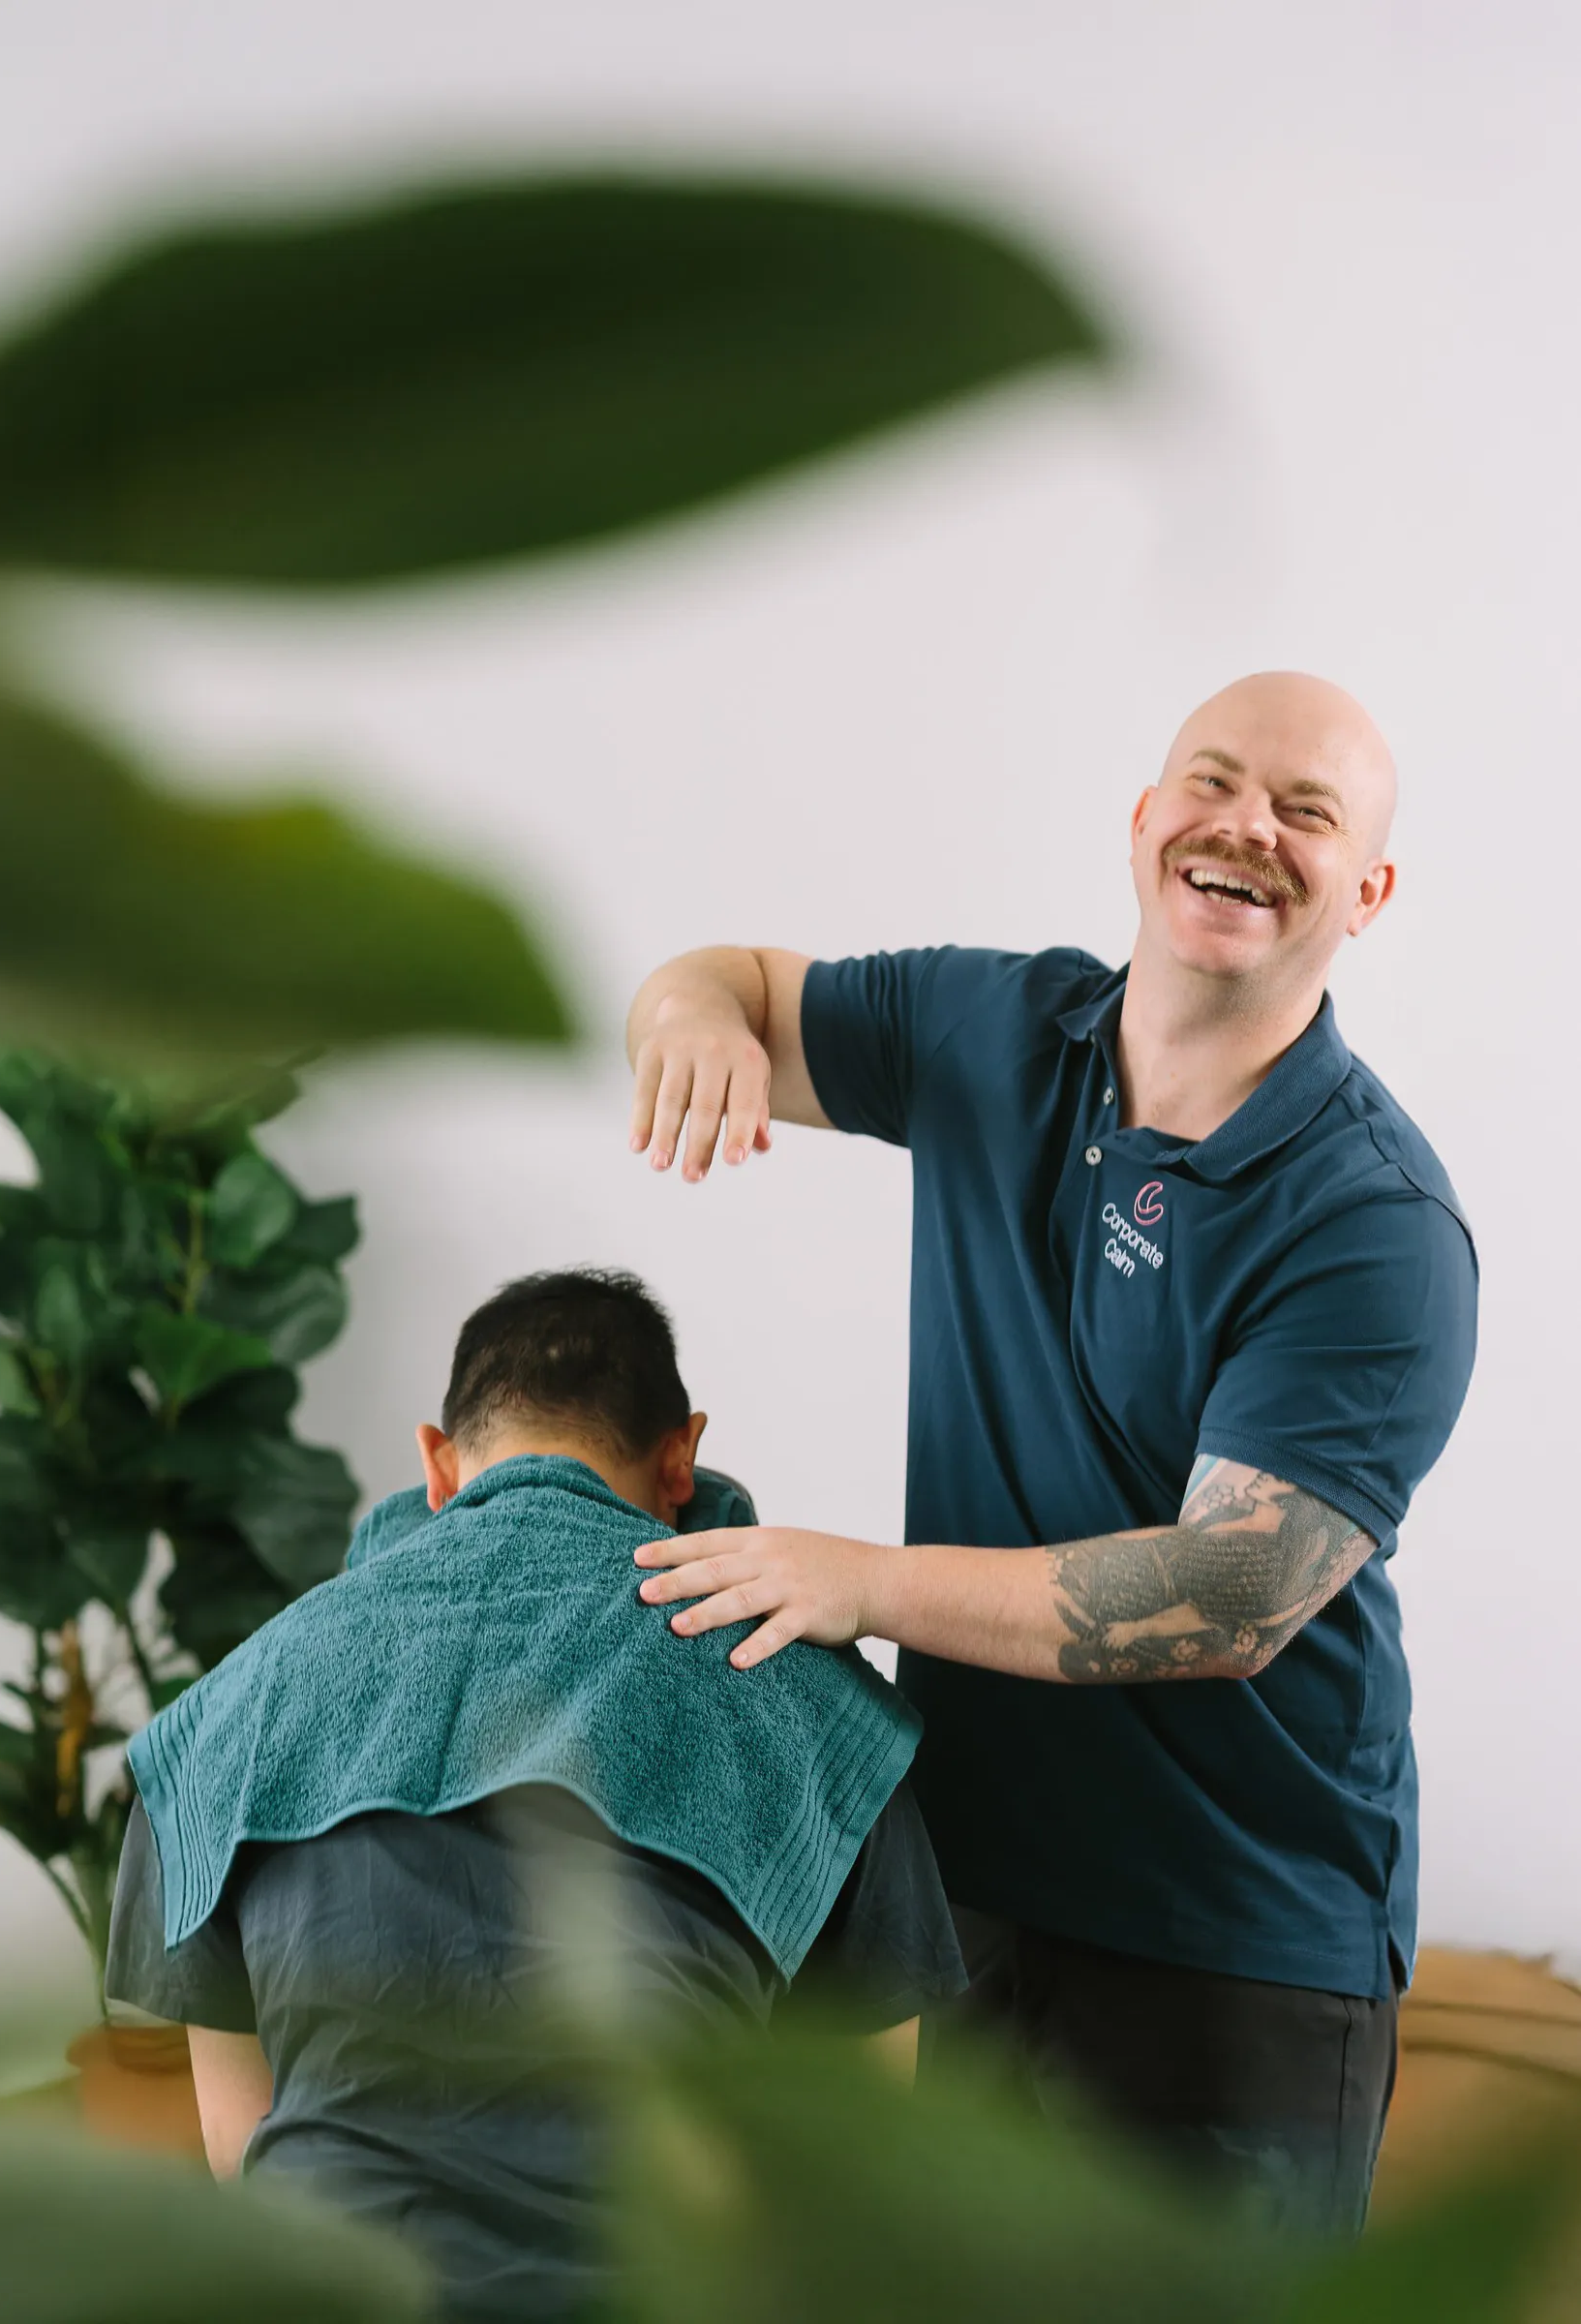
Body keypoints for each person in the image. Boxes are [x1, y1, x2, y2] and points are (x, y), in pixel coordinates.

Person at [623, 671, 1478, 2234]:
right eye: (1214, 784)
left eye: (1308, 812)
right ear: (1146, 820)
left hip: (1237, 1941)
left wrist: (859, 1584)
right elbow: (730, 975)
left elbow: (1228, 1596)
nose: (1247, 829)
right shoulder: (992, 1027)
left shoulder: (1372, 1223)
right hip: (982, 1897)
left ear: (1370, 890)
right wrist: (695, 1021)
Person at [106, 1269, 964, 2320]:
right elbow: (859, 2176)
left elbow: (246, 2161)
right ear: (679, 1457)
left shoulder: (229, 1715)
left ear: (436, 1463)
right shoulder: (819, 1714)